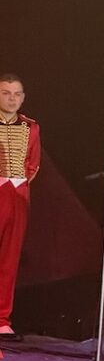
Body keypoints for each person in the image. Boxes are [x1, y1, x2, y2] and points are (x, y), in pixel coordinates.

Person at [0, 74, 41, 340]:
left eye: (16, 94)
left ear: (23, 98)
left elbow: (33, 164)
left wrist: (19, 183)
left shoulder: (31, 127)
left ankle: (2, 318)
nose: (12, 98)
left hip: (17, 195)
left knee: (9, 259)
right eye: (6, 93)